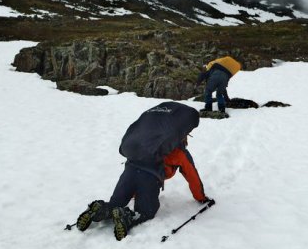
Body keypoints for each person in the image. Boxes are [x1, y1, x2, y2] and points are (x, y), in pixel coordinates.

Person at [75, 101, 210, 241]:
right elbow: (192, 176)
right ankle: (127, 217)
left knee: (115, 203)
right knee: (146, 212)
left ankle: (99, 210)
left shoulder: (145, 145)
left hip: (128, 172)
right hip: (149, 179)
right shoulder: (178, 153)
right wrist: (201, 198)